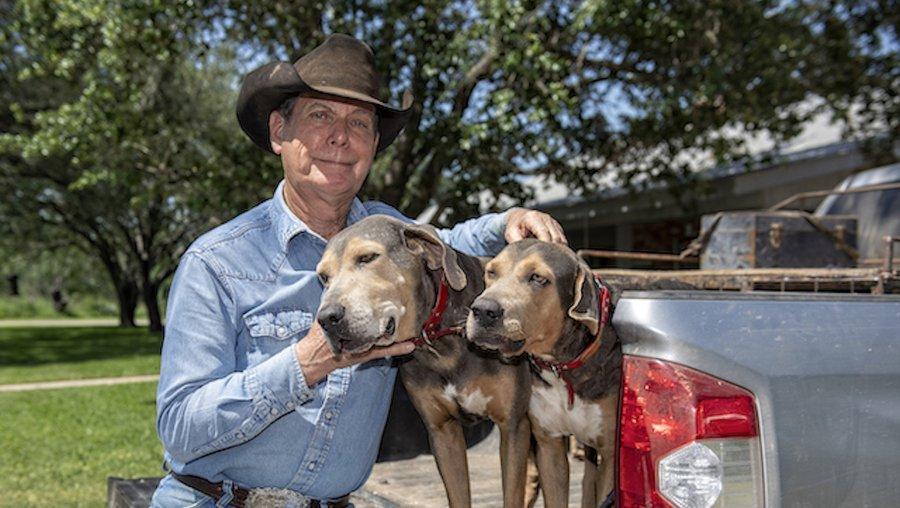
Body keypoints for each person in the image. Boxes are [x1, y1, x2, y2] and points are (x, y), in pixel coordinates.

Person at [151, 34, 567, 508]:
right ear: (277, 132)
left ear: (371, 146)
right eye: (319, 116)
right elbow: (180, 427)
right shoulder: (218, 263)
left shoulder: (393, 238)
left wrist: (508, 221)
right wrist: (305, 363)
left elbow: (446, 243)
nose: (340, 137)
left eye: (359, 123)